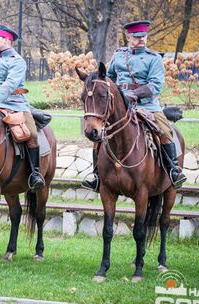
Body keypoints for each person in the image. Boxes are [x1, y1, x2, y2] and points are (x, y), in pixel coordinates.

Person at [82, 20, 187, 191]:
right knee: (100, 135)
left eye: (143, 36)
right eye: (137, 37)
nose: (141, 40)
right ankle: (96, 176)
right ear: (129, 37)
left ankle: (173, 171)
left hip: (148, 106)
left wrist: (134, 94)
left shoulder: (154, 59)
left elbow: (155, 86)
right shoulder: (119, 55)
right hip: (121, 107)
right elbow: (108, 79)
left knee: (165, 131)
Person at [0, 24, 45, 192]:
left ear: (7, 40)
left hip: (16, 104)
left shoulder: (18, 61)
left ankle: (35, 174)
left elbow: (10, 84)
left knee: (31, 133)